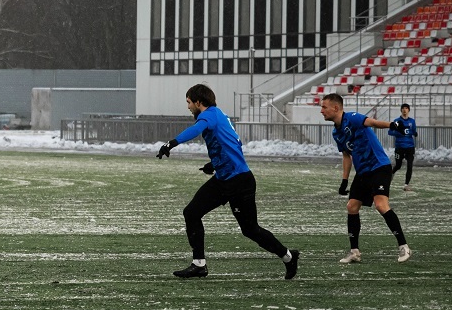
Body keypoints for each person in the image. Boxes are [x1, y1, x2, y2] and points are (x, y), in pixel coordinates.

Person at [155, 84, 299, 280]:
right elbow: (234, 144)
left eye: (189, 103)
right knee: (191, 212)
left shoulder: (209, 115)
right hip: (224, 178)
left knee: (250, 230)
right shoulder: (219, 115)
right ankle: (199, 264)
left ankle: (288, 256)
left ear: (199, 102)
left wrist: (171, 143)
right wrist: (214, 164)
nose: (188, 107)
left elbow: (196, 129)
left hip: (239, 182)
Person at [319, 93, 412, 264]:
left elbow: (372, 122)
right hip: (363, 172)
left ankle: (403, 246)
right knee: (352, 207)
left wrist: (392, 124)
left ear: (336, 108)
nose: (321, 111)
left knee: (381, 205)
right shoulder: (336, 133)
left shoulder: (352, 118)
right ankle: (354, 252)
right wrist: (344, 180)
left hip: (379, 167)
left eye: (324, 107)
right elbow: (347, 156)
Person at [388, 102, 417, 190]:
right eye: (403, 108)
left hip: (410, 147)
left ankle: (406, 184)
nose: (404, 110)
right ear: (401, 110)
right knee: (398, 165)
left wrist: (415, 133)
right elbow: (390, 132)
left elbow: (413, 132)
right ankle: (391, 175)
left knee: (409, 165)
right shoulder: (397, 121)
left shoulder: (412, 121)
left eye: (406, 108)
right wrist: (399, 132)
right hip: (399, 147)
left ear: (408, 110)